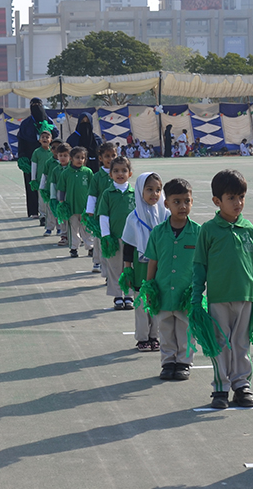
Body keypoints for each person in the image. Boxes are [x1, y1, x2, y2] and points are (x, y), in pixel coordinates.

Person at [190, 169, 253, 410]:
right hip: (219, 298)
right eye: (231, 198)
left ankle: (242, 385)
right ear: (217, 201)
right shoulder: (209, 230)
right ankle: (221, 388)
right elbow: (199, 266)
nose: (238, 203)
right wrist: (196, 298)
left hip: (246, 297)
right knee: (220, 343)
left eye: (241, 197)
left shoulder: (248, 229)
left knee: (242, 343)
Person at [142, 177, 197, 381]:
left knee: (186, 329)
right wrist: (149, 287)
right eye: (177, 202)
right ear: (166, 204)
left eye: (187, 201)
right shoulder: (158, 232)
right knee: (165, 328)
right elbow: (153, 262)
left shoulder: (198, 232)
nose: (182, 206)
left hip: (186, 294)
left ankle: (183, 362)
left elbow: (203, 265)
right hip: (163, 291)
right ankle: (168, 362)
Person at [121, 171, 167, 352]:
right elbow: (128, 246)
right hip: (141, 268)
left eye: (158, 190)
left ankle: (154, 336)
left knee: (156, 303)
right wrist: (127, 269)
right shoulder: (134, 218)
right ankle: (142, 338)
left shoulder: (165, 215)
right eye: (149, 189)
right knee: (141, 305)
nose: (154, 194)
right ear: (140, 191)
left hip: (160, 268)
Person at [95, 155, 135, 311]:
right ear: (110, 174)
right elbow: (103, 216)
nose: (120, 174)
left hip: (132, 239)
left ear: (130, 173)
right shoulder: (107, 194)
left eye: (124, 170)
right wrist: (106, 236)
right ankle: (117, 295)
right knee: (114, 267)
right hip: (114, 238)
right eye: (116, 171)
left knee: (130, 267)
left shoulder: (134, 193)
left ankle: (129, 294)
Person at [85, 141, 117, 274]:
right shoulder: (97, 177)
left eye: (113, 155)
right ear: (100, 158)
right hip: (100, 214)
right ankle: (97, 261)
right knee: (99, 239)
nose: (111, 159)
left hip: (115, 214)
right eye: (107, 156)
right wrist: (90, 212)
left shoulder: (118, 175)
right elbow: (92, 195)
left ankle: (110, 266)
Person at [58, 145, 93, 258]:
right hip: (71, 207)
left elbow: (92, 189)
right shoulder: (66, 173)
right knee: (73, 228)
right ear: (71, 158)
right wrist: (61, 202)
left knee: (86, 228)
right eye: (77, 157)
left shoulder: (87, 172)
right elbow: (62, 189)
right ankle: (74, 248)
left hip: (85, 207)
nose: (80, 160)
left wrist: (92, 205)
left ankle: (90, 247)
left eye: (82, 158)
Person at [16, 98, 48, 218]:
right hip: (30, 159)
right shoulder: (26, 124)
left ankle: (48, 211)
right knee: (31, 184)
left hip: (46, 159)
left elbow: (55, 138)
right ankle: (34, 211)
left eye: (39, 104)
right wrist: (22, 156)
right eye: (34, 105)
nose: (36, 107)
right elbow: (21, 140)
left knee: (47, 185)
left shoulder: (48, 122)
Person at [30, 127, 56, 235]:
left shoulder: (53, 152)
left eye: (47, 137)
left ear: (51, 140)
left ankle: (53, 219)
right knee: (41, 199)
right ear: (39, 140)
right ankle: (43, 216)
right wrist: (33, 179)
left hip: (52, 181)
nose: (45, 139)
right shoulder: (37, 152)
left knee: (51, 200)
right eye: (43, 137)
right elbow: (34, 166)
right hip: (41, 180)